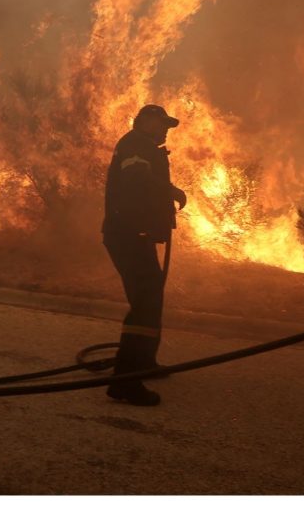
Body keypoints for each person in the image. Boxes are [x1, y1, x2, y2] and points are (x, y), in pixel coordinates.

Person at [102, 104, 187, 406]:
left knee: (150, 297)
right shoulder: (135, 144)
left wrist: (168, 193)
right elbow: (137, 177)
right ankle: (125, 381)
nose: (165, 129)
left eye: (167, 125)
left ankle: (144, 362)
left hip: (136, 235)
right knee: (144, 302)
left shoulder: (144, 146)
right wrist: (170, 190)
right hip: (126, 235)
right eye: (161, 123)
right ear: (145, 122)